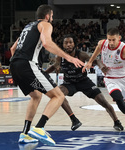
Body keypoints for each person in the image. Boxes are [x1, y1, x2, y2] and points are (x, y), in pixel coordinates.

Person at [10, 5, 84, 146]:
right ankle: (39, 127)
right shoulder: (45, 24)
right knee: (58, 96)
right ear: (47, 16)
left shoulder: (27, 27)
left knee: (36, 96)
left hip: (14, 65)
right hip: (28, 64)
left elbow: (13, 48)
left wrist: (19, 66)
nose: (53, 18)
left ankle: (25, 134)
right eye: (52, 15)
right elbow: (47, 43)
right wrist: (68, 57)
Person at [45, 34, 124, 131]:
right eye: (66, 43)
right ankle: (74, 120)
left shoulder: (81, 54)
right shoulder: (60, 57)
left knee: (103, 102)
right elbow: (54, 66)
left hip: (84, 81)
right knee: (58, 94)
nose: (68, 45)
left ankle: (117, 122)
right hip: (69, 83)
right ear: (63, 45)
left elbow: (96, 60)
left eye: (70, 42)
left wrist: (101, 66)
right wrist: (43, 74)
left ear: (74, 44)